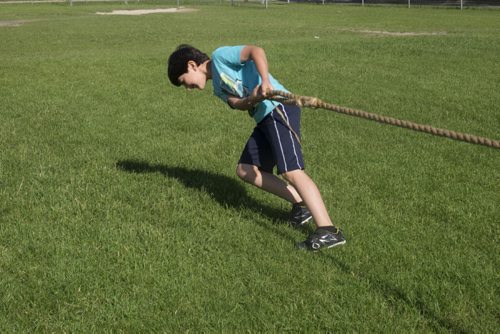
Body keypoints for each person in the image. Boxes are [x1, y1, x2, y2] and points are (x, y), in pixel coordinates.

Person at [167, 44, 345, 251]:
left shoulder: (220, 57)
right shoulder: (217, 88)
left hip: (279, 108)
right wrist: (253, 98)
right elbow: (238, 103)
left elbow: (255, 51)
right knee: (245, 169)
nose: (188, 88)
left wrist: (266, 82)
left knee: (292, 171)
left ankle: (328, 230)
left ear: (192, 65)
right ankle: (300, 205)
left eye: (184, 82)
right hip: (263, 118)